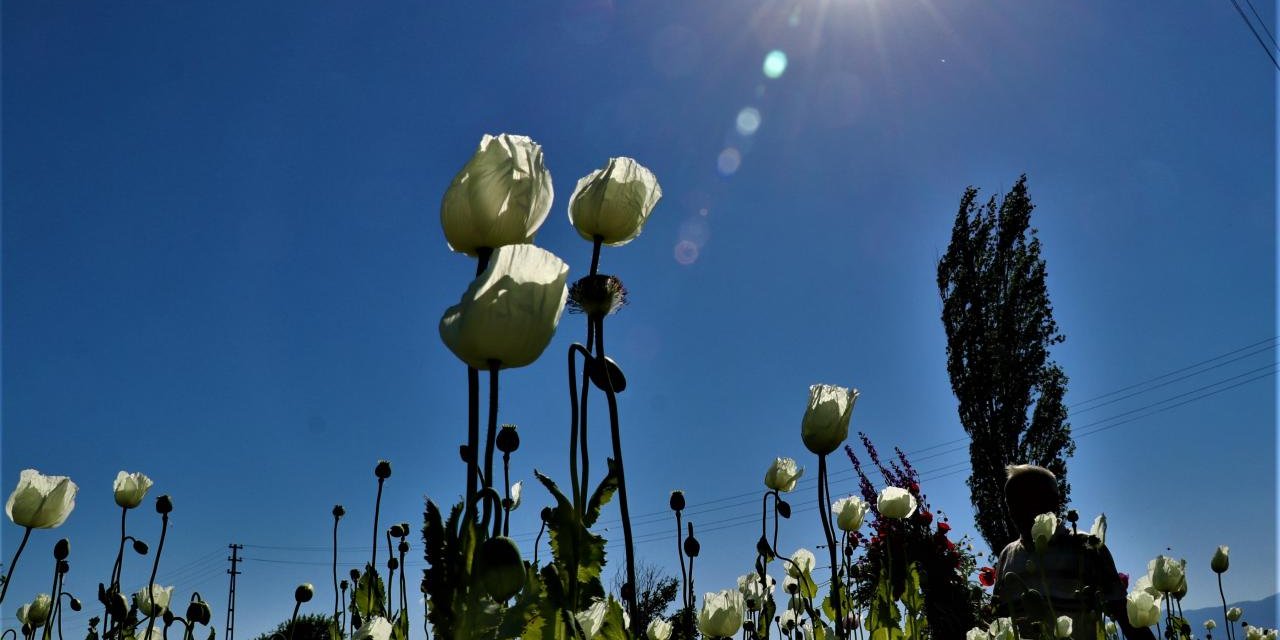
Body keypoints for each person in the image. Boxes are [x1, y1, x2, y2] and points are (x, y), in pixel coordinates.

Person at [992, 465, 1156, 640]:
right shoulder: (1007, 555)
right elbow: (998, 619)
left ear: (1054, 502)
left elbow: (1125, 615)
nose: (1015, 510)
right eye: (1011, 502)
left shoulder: (1087, 548)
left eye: (1025, 499)